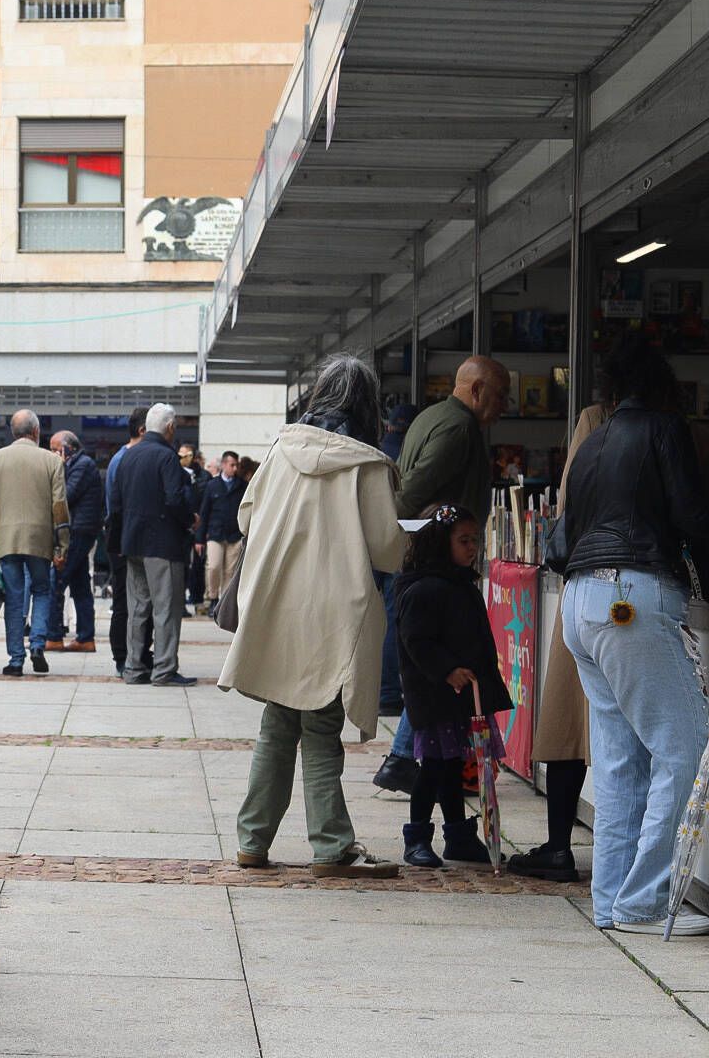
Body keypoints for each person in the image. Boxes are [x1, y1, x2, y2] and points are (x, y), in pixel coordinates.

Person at [552, 337, 709, 936]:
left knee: (619, 762)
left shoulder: (593, 442)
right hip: (632, 597)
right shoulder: (665, 429)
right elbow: (690, 517)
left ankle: (612, 902)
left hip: (579, 603)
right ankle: (645, 902)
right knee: (685, 745)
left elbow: (563, 533)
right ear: (662, 387)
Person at [220, 354, 408, 878]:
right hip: (333, 614)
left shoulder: (281, 449)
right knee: (322, 727)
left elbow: (246, 516)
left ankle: (252, 841)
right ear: (368, 405)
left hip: (277, 605)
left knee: (278, 725)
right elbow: (387, 549)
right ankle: (331, 846)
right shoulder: (368, 464)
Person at [374, 355, 511, 794]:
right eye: (500, 396)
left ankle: (412, 758)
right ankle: (403, 758)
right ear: (477, 390)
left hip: (429, 557)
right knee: (444, 660)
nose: (504, 406)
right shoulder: (458, 428)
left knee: (441, 660)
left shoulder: (432, 416)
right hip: (437, 563)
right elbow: (413, 489)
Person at [508, 397, 609, 881]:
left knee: (569, 720)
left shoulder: (596, 419)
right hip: (652, 587)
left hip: (588, 578)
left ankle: (559, 846)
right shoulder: (682, 429)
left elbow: (568, 502)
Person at [395, 505, 511, 869]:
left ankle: (458, 836)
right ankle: (417, 838)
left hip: (461, 698)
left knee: (452, 767)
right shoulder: (423, 589)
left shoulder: (461, 584)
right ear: (440, 542)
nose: (472, 547)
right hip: (435, 697)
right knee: (432, 767)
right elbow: (416, 641)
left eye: (474, 540)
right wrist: (446, 670)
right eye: (464, 541)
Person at [0, 409, 69, 677]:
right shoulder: (52, 461)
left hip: (7, 540)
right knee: (41, 590)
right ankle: (38, 644)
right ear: (36, 431)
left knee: (14, 598)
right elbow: (59, 507)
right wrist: (62, 545)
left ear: (12, 432)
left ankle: (16, 659)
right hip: (40, 540)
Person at [115, 404, 199, 687]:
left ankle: (133, 667)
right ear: (170, 427)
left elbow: (116, 502)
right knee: (166, 609)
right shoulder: (166, 457)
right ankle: (164, 669)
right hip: (163, 543)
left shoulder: (128, 455)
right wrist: (190, 520)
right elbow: (174, 499)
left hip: (132, 542)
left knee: (138, 609)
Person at [103, 407, 152, 676]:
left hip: (132, 536)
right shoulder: (124, 459)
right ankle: (122, 656)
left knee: (141, 599)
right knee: (124, 599)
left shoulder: (127, 457)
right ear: (142, 430)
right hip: (122, 537)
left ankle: (141, 653)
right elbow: (116, 506)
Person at [45, 430, 103, 651]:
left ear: (68, 448)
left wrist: (58, 468)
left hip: (78, 531)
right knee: (80, 585)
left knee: (56, 581)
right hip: (78, 529)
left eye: (54, 449)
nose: (51, 454)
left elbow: (66, 495)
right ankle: (85, 638)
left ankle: (53, 636)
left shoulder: (83, 465)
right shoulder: (77, 464)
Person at [195, 451, 246, 618]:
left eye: (236, 465)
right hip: (215, 533)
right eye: (232, 465)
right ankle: (213, 597)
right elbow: (204, 512)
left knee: (230, 572)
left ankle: (224, 604)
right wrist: (199, 538)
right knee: (213, 566)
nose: (235, 468)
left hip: (234, 535)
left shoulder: (242, 485)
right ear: (223, 465)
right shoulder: (213, 485)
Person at [180, 443, 210, 613]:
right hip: (184, 526)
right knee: (183, 566)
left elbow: (206, 505)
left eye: (187, 455)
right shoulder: (176, 473)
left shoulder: (204, 476)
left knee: (198, 565)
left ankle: (198, 599)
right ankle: (181, 602)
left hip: (200, 524)